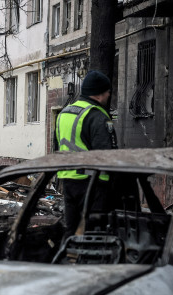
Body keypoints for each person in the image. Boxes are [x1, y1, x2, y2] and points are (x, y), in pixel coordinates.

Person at [55, 70, 117, 239]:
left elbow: (57, 146)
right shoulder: (97, 115)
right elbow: (106, 155)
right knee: (93, 233)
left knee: (71, 229)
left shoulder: (63, 114)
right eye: (107, 92)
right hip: (93, 184)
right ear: (99, 93)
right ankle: (87, 263)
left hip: (68, 180)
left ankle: (66, 260)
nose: (108, 96)